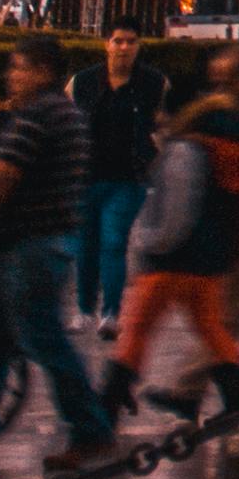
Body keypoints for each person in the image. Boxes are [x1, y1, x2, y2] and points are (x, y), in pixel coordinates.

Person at [0, 32, 124, 467]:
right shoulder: (70, 115)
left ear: (43, 71)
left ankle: (91, 429)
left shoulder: (36, 115)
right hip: (51, 243)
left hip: (29, 247)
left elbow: (1, 175)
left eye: (19, 67)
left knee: (44, 342)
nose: (12, 76)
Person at [104, 93, 239, 422]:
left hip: (171, 262)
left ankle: (107, 406)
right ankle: (236, 400)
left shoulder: (185, 149)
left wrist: (150, 244)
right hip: (208, 262)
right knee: (212, 329)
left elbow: (177, 210)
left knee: (135, 330)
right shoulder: (225, 147)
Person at [76, 28, 161, 328]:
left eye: (131, 41)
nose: (124, 47)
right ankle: (84, 308)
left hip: (128, 178)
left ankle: (110, 312)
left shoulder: (152, 83)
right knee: (85, 246)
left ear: (139, 46)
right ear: (107, 45)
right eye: (118, 41)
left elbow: (163, 123)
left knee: (113, 242)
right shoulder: (83, 82)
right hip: (86, 177)